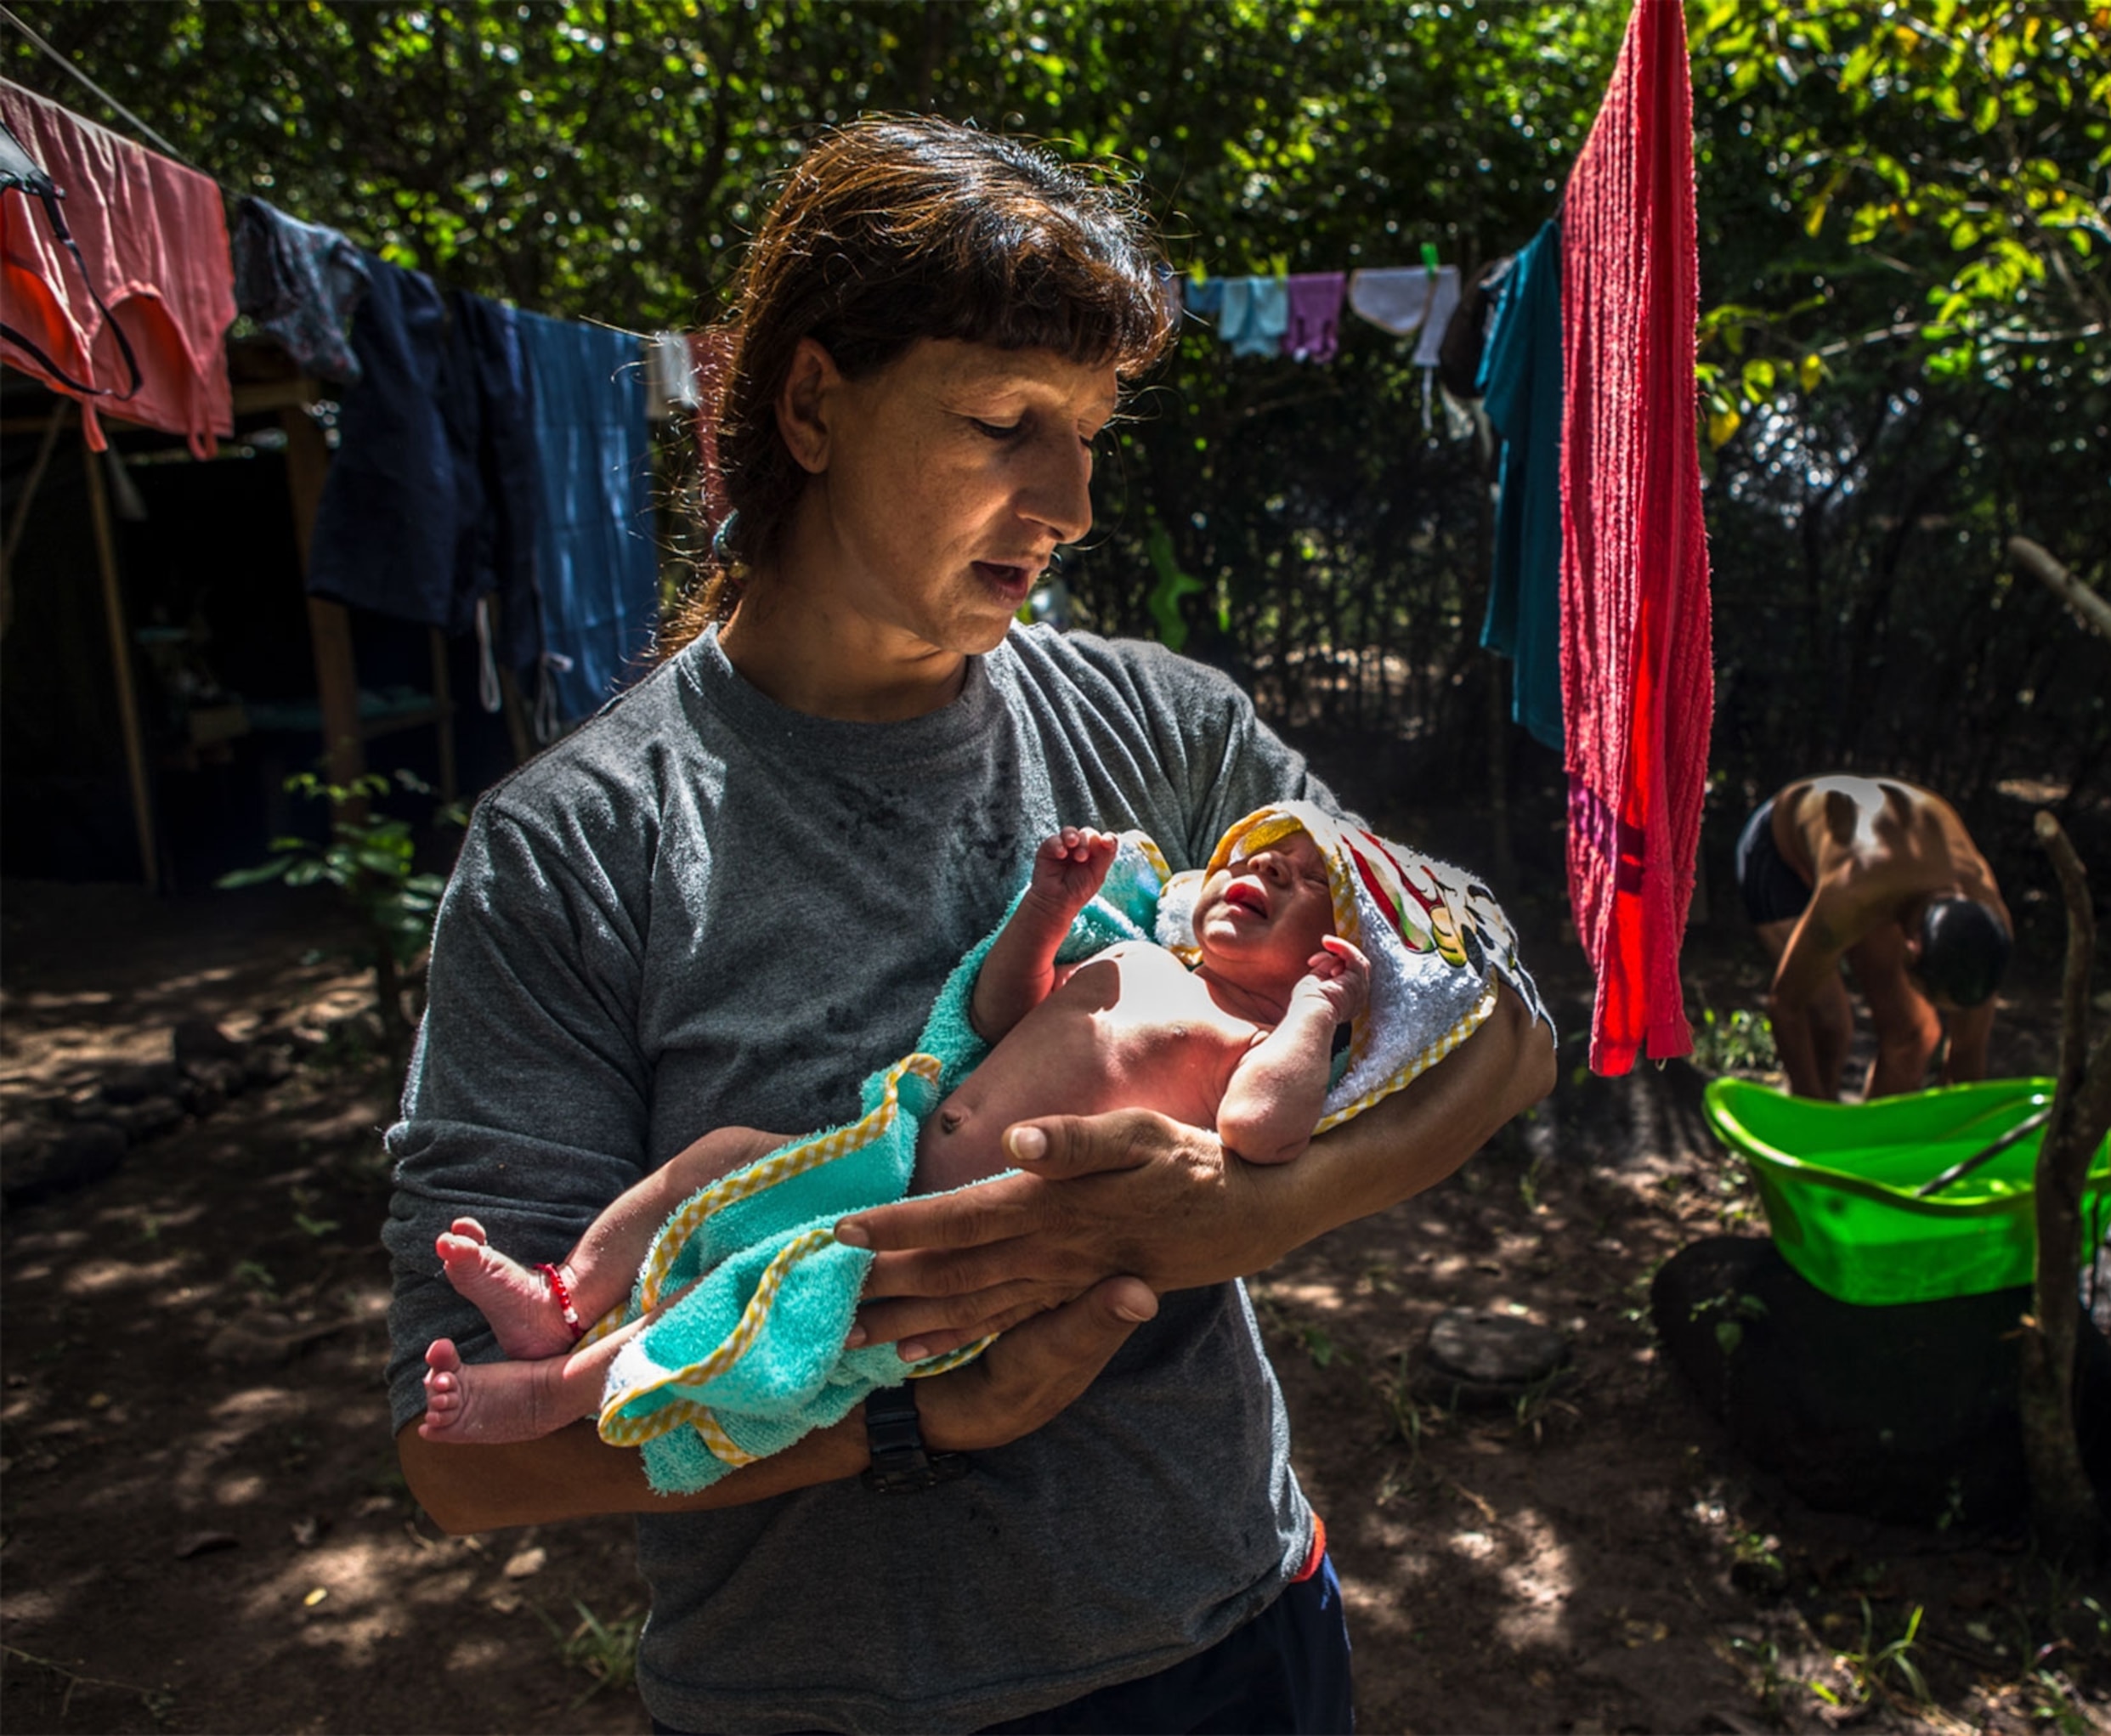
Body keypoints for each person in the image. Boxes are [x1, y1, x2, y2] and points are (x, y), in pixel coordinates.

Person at [381, 113, 1554, 1736]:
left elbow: (1504, 1013)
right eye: (1005, 420)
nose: (1068, 499)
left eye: (1087, 432)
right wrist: (920, 1422)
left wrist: (1234, 1215)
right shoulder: (581, 847)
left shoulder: (1164, 726)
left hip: (1236, 1637)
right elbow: (455, 1469)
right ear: (808, 403)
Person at [416, 823, 1372, 1447]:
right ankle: (565, 1292)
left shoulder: (1257, 1037)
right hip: (891, 1154)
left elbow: (1259, 1129)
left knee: (747, 1288)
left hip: (957, 1234)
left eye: (1297, 880)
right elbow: (999, 1015)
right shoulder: (1134, 951)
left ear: (1333, 953)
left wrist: (1316, 1014)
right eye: (1248, 859)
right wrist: (1048, 911)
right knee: (714, 1158)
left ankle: (560, 1391)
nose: (1261, 873)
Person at [1735, 775, 2012, 1101]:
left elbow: (1967, 1064)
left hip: (1889, 871)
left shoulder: (1986, 929)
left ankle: (1873, 1145)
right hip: (1780, 854)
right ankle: (1820, 1133)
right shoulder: (1852, 898)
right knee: (1829, 1026)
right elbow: (1785, 1006)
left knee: (1913, 1037)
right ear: (1910, 954)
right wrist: (1812, 1114)